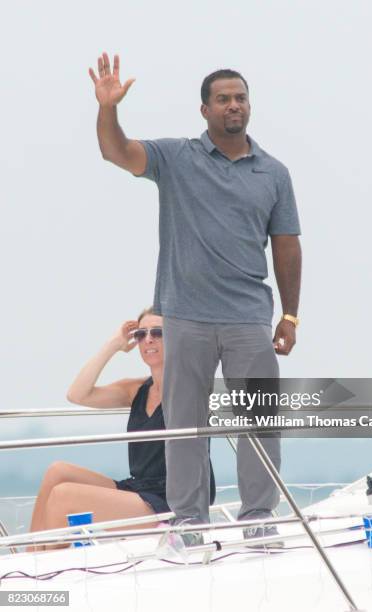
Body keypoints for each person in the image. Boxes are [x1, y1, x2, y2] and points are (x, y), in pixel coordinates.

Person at [88, 53, 301, 544]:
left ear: (250, 106)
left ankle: (257, 518)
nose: (234, 106)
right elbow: (116, 151)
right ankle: (188, 521)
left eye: (240, 98)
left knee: (260, 422)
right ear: (204, 110)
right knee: (185, 426)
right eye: (223, 99)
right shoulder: (175, 158)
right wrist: (107, 108)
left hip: (249, 316)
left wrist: (289, 314)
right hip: (185, 316)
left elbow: (287, 244)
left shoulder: (274, 173)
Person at [26, 307, 216, 551]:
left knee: (63, 496)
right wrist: (113, 345)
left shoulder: (191, 386)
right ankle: (29, 559)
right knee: (57, 472)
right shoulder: (136, 389)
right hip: (140, 487)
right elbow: (77, 394)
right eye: (140, 334)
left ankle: (48, 572)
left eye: (158, 332)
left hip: (172, 498)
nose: (148, 339)